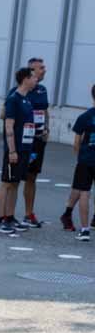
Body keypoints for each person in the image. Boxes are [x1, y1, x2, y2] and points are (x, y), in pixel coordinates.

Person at [0, 67, 35, 234]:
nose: (35, 80)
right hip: (14, 149)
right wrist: (12, 151)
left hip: (25, 149)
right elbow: (9, 126)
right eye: (33, 77)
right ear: (25, 79)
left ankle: (10, 217)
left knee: (15, 183)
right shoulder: (14, 99)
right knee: (6, 182)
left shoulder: (27, 100)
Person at [62, 85, 95, 241]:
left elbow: (76, 143)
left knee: (84, 192)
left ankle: (85, 229)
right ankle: (68, 214)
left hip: (86, 159)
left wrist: (80, 157)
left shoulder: (84, 117)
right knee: (82, 190)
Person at [19, 57, 49, 229]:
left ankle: (29, 214)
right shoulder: (20, 91)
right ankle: (6, 216)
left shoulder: (42, 90)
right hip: (24, 140)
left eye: (44, 67)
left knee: (32, 176)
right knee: (14, 178)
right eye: (41, 68)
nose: (44, 70)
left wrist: (47, 129)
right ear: (31, 71)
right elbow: (5, 113)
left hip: (38, 140)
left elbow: (44, 110)